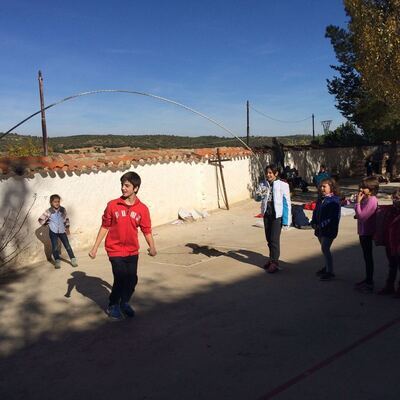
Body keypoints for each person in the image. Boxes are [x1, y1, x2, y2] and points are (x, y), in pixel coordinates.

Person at [89, 171, 157, 320]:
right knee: (120, 277)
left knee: (132, 279)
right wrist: (95, 247)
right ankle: (113, 304)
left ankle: (124, 302)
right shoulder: (113, 205)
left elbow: (146, 230)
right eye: (122, 185)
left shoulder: (142, 209)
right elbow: (105, 226)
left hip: (132, 251)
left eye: (127, 185)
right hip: (115, 250)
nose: (123, 188)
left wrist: (152, 246)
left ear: (136, 188)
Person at [259, 164, 291, 273]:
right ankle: (271, 259)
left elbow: (287, 203)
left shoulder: (283, 185)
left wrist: (286, 220)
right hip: (267, 215)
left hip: (277, 216)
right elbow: (257, 198)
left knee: (274, 240)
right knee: (268, 239)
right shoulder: (263, 184)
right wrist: (259, 194)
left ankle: (275, 262)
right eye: (267, 173)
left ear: (276, 173)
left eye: (270, 173)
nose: (268, 175)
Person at [311, 178, 341, 281]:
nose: (322, 188)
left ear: (331, 187)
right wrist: (313, 222)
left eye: (325, 186)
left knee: (325, 248)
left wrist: (321, 225)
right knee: (324, 249)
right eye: (321, 186)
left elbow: (332, 218)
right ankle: (327, 267)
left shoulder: (334, 201)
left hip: (329, 230)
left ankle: (330, 271)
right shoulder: (321, 199)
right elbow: (315, 212)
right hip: (320, 230)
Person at [354, 177, 379, 293]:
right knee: (366, 256)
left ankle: (370, 283)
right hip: (362, 231)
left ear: (371, 189)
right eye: (361, 187)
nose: (361, 189)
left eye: (364, 187)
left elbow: (362, 217)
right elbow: (359, 213)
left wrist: (358, 203)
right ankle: (367, 279)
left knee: (368, 257)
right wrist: (359, 203)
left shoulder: (372, 200)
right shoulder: (366, 198)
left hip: (367, 232)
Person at [38, 194, 78, 269]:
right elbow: (40, 220)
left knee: (67, 246)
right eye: (55, 202)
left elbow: (66, 219)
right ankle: (57, 261)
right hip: (53, 232)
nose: (57, 203)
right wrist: (47, 223)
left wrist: (67, 228)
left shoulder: (63, 209)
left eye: (58, 201)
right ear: (51, 202)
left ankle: (73, 259)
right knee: (55, 247)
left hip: (62, 231)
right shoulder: (48, 211)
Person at [375, 189, 400, 296]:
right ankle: (389, 286)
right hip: (389, 243)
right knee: (392, 265)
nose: (395, 200)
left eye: (398, 198)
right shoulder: (389, 210)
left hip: (398, 245)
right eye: (394, 197)